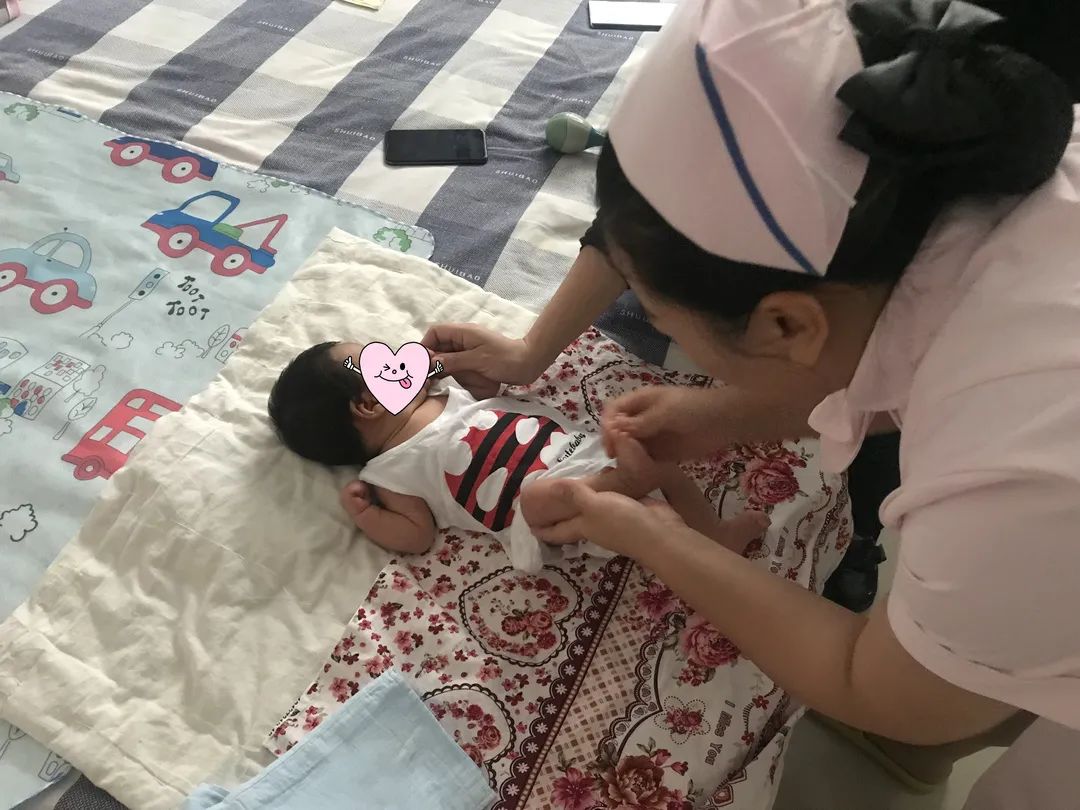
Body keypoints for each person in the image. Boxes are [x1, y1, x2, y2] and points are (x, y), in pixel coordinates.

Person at [422, 0, 1080, 804]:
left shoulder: (1015, 473)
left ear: (786, 325)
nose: (667, 338)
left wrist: (646, 530)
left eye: (664, 321)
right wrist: (729, 414)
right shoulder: (981, 188)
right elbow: (896, 345)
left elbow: (887, 692)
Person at [266, 341, 766, 565]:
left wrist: (468, 372)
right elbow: (417, 536)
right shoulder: (388, 473)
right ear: (369, 404)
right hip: (545, 511)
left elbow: (495, 392)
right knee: (546, 498)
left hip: (584, 454)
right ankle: (629, 486)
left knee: (665, 476)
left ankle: (715, 535)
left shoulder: (449, 394)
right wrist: (367, 516)